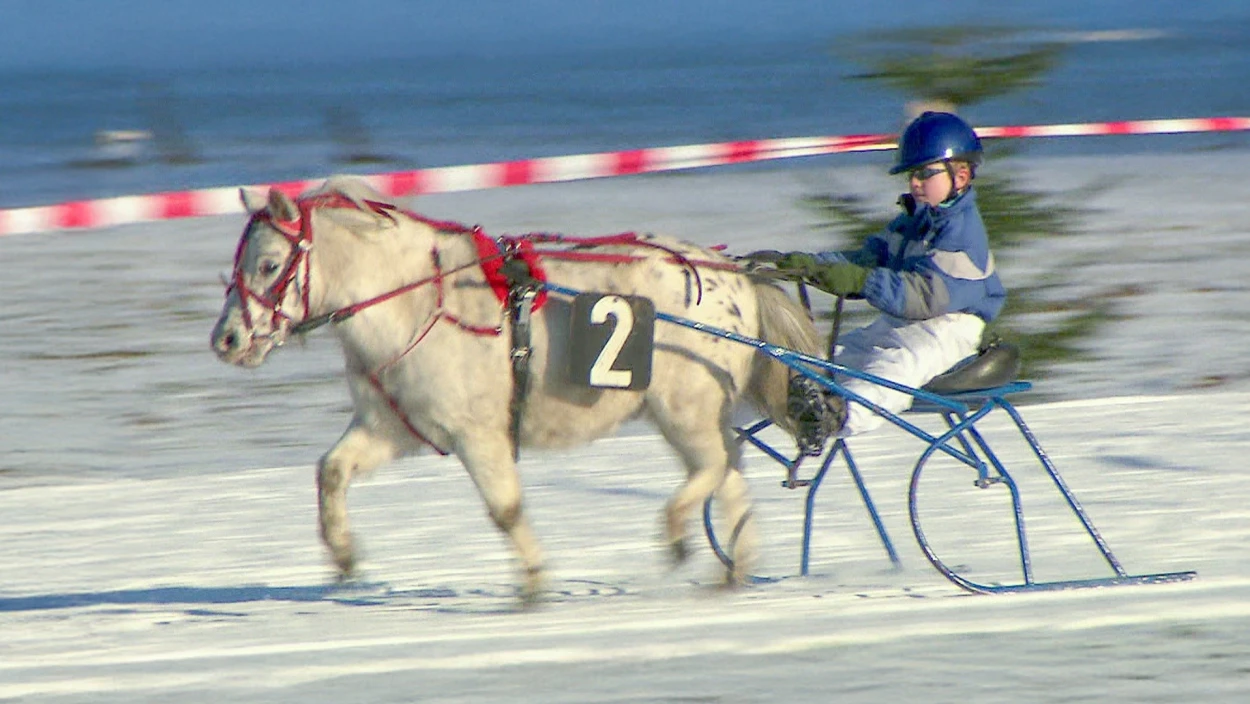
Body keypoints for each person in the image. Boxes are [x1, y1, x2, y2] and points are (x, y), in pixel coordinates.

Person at [758, 111, 1007, 454]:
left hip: (949, 328)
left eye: (924, 174)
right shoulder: (913, 223)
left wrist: (862, 280)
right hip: (900, 323)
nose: (915, 183)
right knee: (834, 356)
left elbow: (924, 297)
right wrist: (806, 266)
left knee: (893, 370)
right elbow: (867, 260)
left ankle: (839, 415)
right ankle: (789, 392)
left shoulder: (962, 233)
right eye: (911, 176)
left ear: (960, 175)